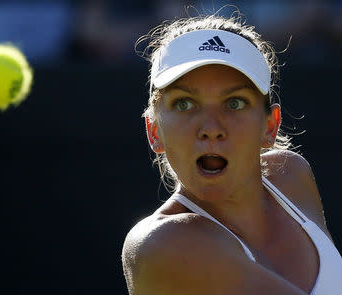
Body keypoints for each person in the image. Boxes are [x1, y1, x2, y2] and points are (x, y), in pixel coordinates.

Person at [121, 12, 342, 295]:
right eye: (184, 104)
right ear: (154, 130)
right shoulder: (160, 244)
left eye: (235, 103)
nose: (211, 128)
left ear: (270, 127)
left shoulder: (291, 175)